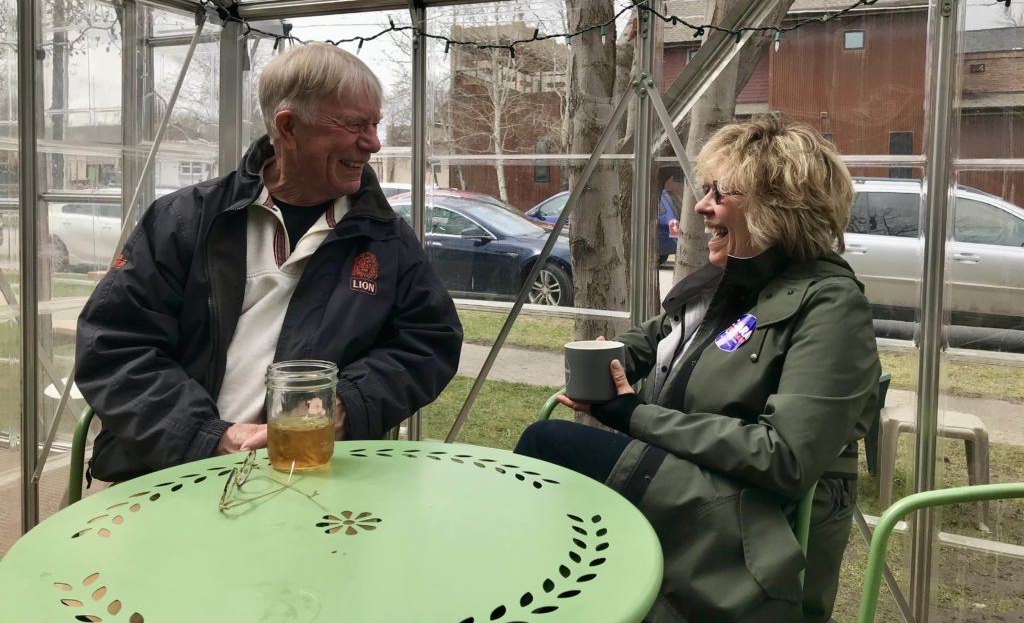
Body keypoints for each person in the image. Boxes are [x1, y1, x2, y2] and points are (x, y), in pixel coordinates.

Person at [515, 115, 880, 623]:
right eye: (704, 189)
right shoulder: (720, 285)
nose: (702, 205)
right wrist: (606, 364)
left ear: (779, 207)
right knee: (550, 452)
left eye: (719, 193)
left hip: (748, 521)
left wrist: (633, 415)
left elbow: (786, 459)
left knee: (547, 445)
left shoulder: (831, 306)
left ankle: (542, 598)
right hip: (689, 481)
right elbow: (647, 342)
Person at [76, 42, 463, 483]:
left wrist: (343, 405)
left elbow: (431, 341)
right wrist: (210, 436)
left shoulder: (385, 238)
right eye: (356, 124)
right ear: (289, 127)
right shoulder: (184, 220)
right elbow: (113, 346)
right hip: (166, 471)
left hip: (312, 476)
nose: (373, 143)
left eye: (375, 124)